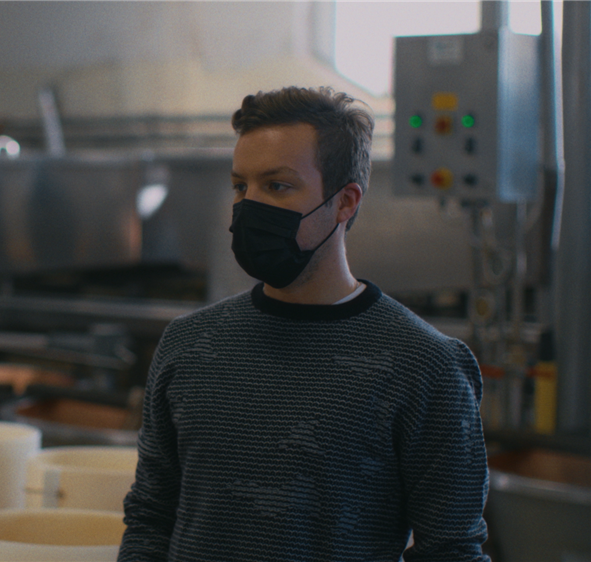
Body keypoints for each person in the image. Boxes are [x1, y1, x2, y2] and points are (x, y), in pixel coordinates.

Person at [119, 86, 490, 561]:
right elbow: (151, 519)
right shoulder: (188, 345)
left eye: (277, 186)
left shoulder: (425, 366)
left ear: (345, 202)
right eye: (241, 186)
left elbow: (452, 551)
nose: (249, 207)